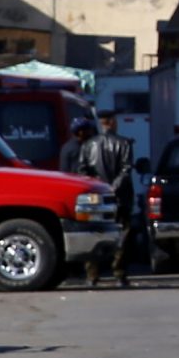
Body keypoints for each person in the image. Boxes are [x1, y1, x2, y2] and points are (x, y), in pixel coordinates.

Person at [61, 113, 140, 286]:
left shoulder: (88, 145)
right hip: (121, 196)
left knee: (94, 232)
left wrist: (98, 185)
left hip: (95, 197)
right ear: (112, 123)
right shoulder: (124, 143)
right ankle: (119, 273)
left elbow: (82, 170)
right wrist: (113, 186)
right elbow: (126, 169)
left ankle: (92, 275)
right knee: (123, 234)